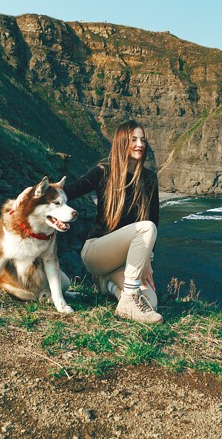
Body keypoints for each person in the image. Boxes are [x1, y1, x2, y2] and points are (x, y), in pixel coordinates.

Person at [65, 119, 163, 324]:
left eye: (143, 140)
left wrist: (147, 260)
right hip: (97, 252)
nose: (140, 144)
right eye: (133, 139)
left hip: (122, 262)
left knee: (150, 302)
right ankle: (128, 299)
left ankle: (108, 286)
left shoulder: (150, 179)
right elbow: (69, 191)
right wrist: (34, 195)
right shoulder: (103, 171)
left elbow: (155, 218)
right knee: (147, 228)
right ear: (121, 142)